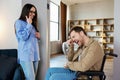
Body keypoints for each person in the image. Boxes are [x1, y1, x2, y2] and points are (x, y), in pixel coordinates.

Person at [14, 3, 40, 80]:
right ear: (26, 11)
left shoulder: (32, 23)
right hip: (26, 55)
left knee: (33, 78)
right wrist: (29, 25)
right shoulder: (18, 22)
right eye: (31, 11)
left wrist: (38, 37)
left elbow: (32, 40)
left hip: (35, 54)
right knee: (31, 78)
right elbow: (23, 37)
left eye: (34, 12)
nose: (33, 14)